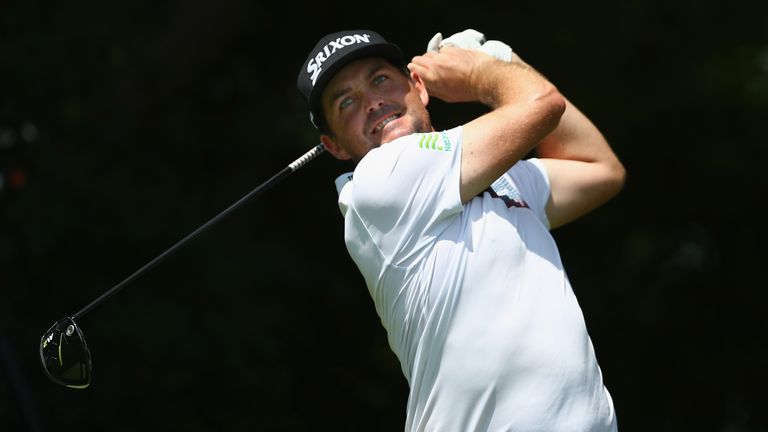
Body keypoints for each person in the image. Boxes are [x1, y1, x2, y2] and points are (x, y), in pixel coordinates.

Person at [296, 29, 626, 431]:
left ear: (418, 86)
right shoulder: (377, 184)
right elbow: (542, 103)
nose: (372, 102)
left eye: (380, 79)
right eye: (346, 102)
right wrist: (486, 70)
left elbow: (600, 170)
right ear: (335, 147)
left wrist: (507, 64)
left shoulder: (504, 180)